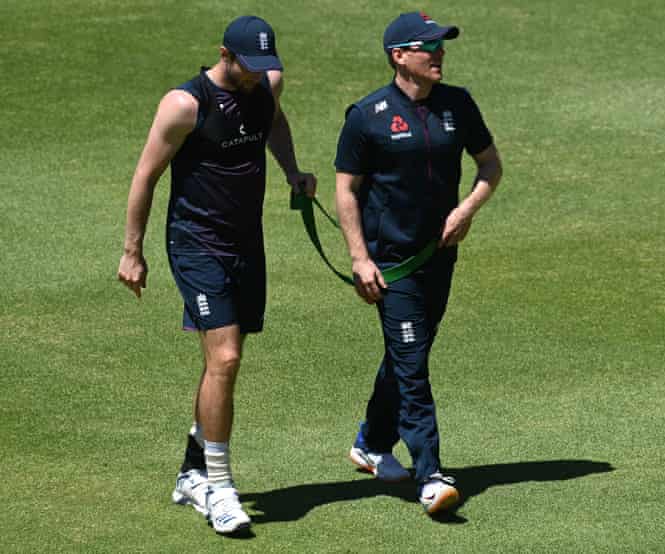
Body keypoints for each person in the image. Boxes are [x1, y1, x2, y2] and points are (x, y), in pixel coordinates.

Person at [116, 15, 316, 535]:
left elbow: (275, 121)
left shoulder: (265, 86)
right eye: (249, 66)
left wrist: (292, 170)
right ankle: (221, 488)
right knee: (224, 356)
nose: (258, 76)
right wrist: (131, 251)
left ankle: (191, 472)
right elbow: (146, 176)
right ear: (225, 54)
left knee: (223, 364)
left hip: (246, 244)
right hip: (196, 244)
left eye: (264, 67)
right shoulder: (184, 104)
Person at [334, 11, 503, 515]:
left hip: (440, 257)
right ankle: (430, 474)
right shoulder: (368, 115)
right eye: (428, 47)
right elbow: (346, 190)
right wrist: (360, 259)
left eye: (442, 45)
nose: (439, 54)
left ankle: (371, 441)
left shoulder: (458, 104)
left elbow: (490, 165)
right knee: (412, 364)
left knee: (410, 351)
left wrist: (466, 210)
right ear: (399, 56)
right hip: (391, 265)